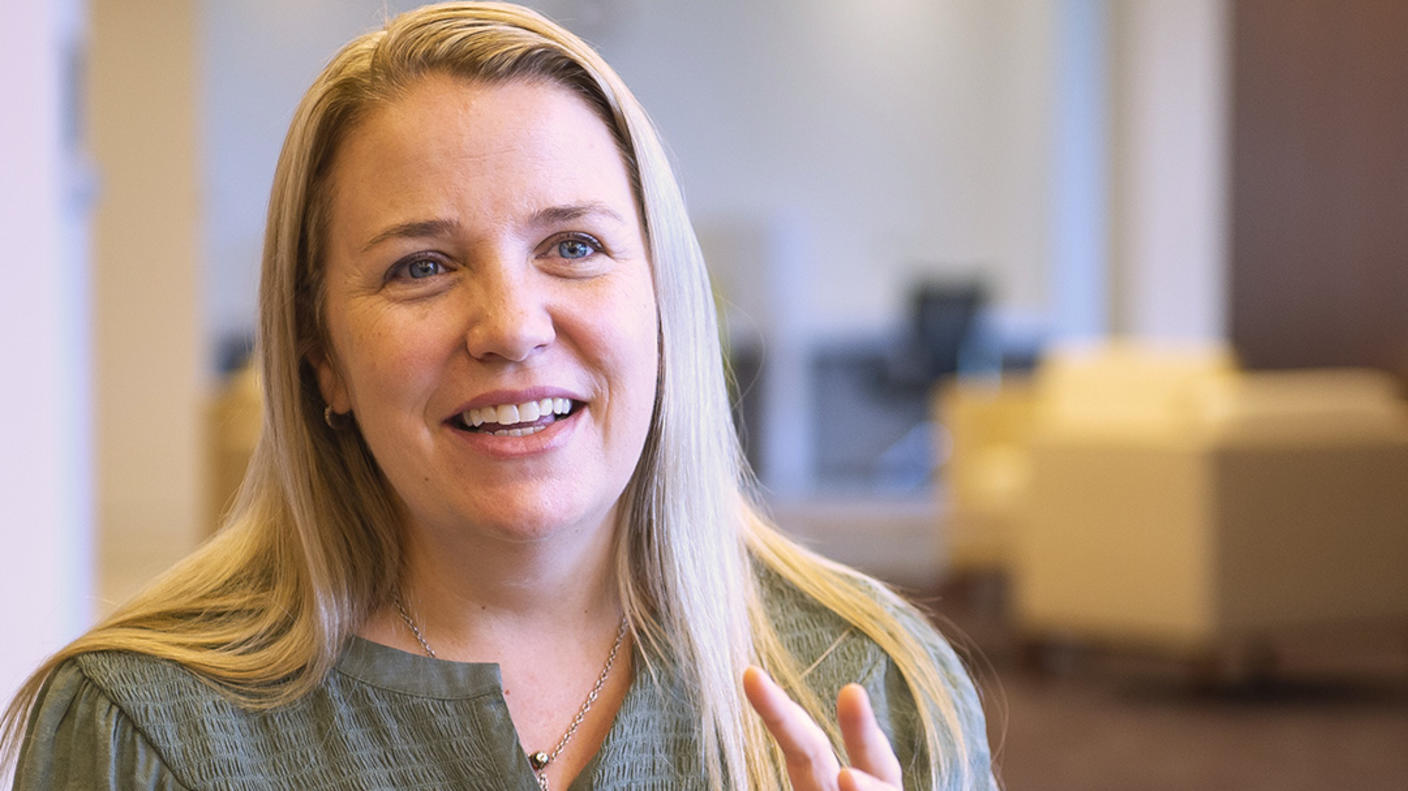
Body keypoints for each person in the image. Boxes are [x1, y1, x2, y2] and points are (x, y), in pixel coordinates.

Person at [3, 3, 995, 789]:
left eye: (573, 246)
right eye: (421, 266)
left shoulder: (873, 681)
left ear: (665, 305)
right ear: (323, 358)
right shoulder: (140, 726)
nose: (512, 326)